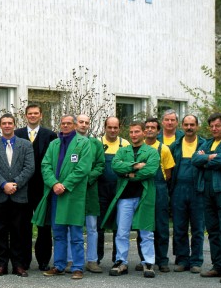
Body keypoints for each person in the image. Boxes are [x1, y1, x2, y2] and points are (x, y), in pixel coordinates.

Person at [32, 114, 92, 280]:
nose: (65, 126)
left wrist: (64, 185)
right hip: (56, 194)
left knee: (76, 234)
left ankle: (78, 267)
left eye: (69, 123)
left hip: (73, 194)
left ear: (74, 125)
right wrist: (54, 183)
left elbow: (83, 168)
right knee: (58, 233)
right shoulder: (54, 144)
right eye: (63, 123)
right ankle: (59, 265)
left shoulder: (84, 143)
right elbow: (45, 166)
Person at [102, 121, 159, 278]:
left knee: (146, 231)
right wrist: (134, 167)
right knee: (122, 231)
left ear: (143, 133)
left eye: (137, 132)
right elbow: (116, 166)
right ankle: (121, 262)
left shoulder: (152, 152)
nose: (134, 135)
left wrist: (127, 174)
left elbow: (150, 170)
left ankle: (148, 262)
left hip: (144, 196)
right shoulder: (122, 151)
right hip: (125, 197)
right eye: (132, 132)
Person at [0, 113, 34, 277]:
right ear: (0, 126)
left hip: (19, 194)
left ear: (14, 125)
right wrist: (3, 185)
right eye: (4, 123)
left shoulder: (26, 145)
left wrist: (15, 183)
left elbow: (29, 168)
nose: (7, 126)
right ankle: (2, 264)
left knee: (18, 231)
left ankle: (18, 264)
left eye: (10, 123)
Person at [15, 104, 57, 271]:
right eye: (30, 114)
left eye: (35, 113)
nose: (32, 116)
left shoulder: (50, 135)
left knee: (44, 227)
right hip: (22, 188)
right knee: (22, 226)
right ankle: (24, 261)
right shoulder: (17, 134)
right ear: (25, 116)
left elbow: (52, 161)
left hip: (43, 188)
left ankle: (43, 260)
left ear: (41, 115)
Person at [192, 112, 221, 284]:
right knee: (213, 230)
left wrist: (205, 159)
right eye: (211, 126)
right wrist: (207, 157)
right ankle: (217, 266)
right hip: (207, 191)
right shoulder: (206, 143)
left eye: (217, 126)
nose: (214, 129)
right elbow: (194, 159)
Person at [67, 114, 105, 273]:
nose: (83, 125)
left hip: (89, 190)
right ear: (75, 124)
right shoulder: (68, 142)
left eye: (86, 123)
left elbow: (100, 165)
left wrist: (87, 178)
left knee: (92, 227)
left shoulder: (95, 144)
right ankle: (70, 260)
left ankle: (92, 260)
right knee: (71, 226)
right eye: (81, 122)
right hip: (72, 189)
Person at [169, 115, 205, 273]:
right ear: (182, 126)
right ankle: (182, 259)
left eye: (192, 124)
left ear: (197, 126)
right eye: (186, 124)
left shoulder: (205, 144)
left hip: (198, 190)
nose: (189, 127)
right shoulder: (175, 145)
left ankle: (196, 260)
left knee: (198, 227)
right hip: (179, 189)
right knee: (179, 227)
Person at [141, 117, 175, 272]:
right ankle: (145, 259)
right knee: (143, 225)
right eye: (147, 127)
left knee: (161, 226)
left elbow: (168, 174)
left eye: (152, 127)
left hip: (159, 189)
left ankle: (162, 260)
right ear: (143, 131)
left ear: (158, 131)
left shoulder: (164, 149)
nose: (149, 130)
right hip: (142, 189)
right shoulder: (138, 148)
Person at [97, 117, 129, 265]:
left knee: (119, 225)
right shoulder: (97, 143)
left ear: (119, 128)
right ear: (105, 127)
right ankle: (96, 257)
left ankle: (118, 258)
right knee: (99, 225)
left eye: (115, 127)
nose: (112, 130)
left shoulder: (125, 145)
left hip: (119, 189)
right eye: (110, 127)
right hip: (100, 189)